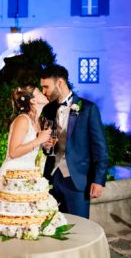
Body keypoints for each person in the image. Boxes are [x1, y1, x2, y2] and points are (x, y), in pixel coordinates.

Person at [40, 64, 108, 219]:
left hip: (77, 181)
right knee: (54, 226)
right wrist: (47, 146)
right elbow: (48, 145)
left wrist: (98, 181)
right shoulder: (49, 110)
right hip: (53, 178)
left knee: (80, 228)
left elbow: (101, 149)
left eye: (46, 87)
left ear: (60, 83)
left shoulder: (88, 109)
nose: (44, 92)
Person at [0, 85, 52, 209]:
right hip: (13, 173)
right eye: (39, 92)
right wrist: (39, 140)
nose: (43, 93)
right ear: (33, 101)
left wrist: (45, 144)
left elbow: (31, 146)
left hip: (29, 173)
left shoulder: (38, 121)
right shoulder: (22, 120)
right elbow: (13, 152)